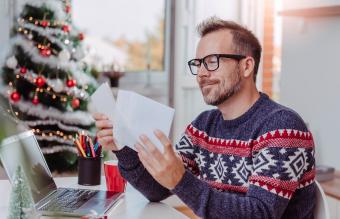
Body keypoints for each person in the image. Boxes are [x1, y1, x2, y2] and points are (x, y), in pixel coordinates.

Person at [93, 17, 315, 219]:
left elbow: (260, 214)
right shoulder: (203, 126)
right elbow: (156, 190)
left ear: (246, 66)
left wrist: (181, 179)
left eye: (212, 61)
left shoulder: (282, 128)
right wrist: (122, 148)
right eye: (198, 64)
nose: (201, 73)